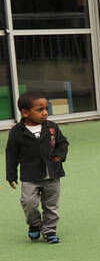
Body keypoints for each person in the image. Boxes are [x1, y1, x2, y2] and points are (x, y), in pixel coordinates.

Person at [5, 93, 68, 244]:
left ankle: (49, 231)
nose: (45, 112)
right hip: (30, 177)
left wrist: (59, 157)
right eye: (40, 110)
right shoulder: (17, 132)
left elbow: (63, 143)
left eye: (46, 108)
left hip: (52, 175)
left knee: (51, 206)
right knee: (28, 203)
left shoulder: (52, 127)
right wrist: (11, 175)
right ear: (25, 112)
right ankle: (34, 225)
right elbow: (11, 155)